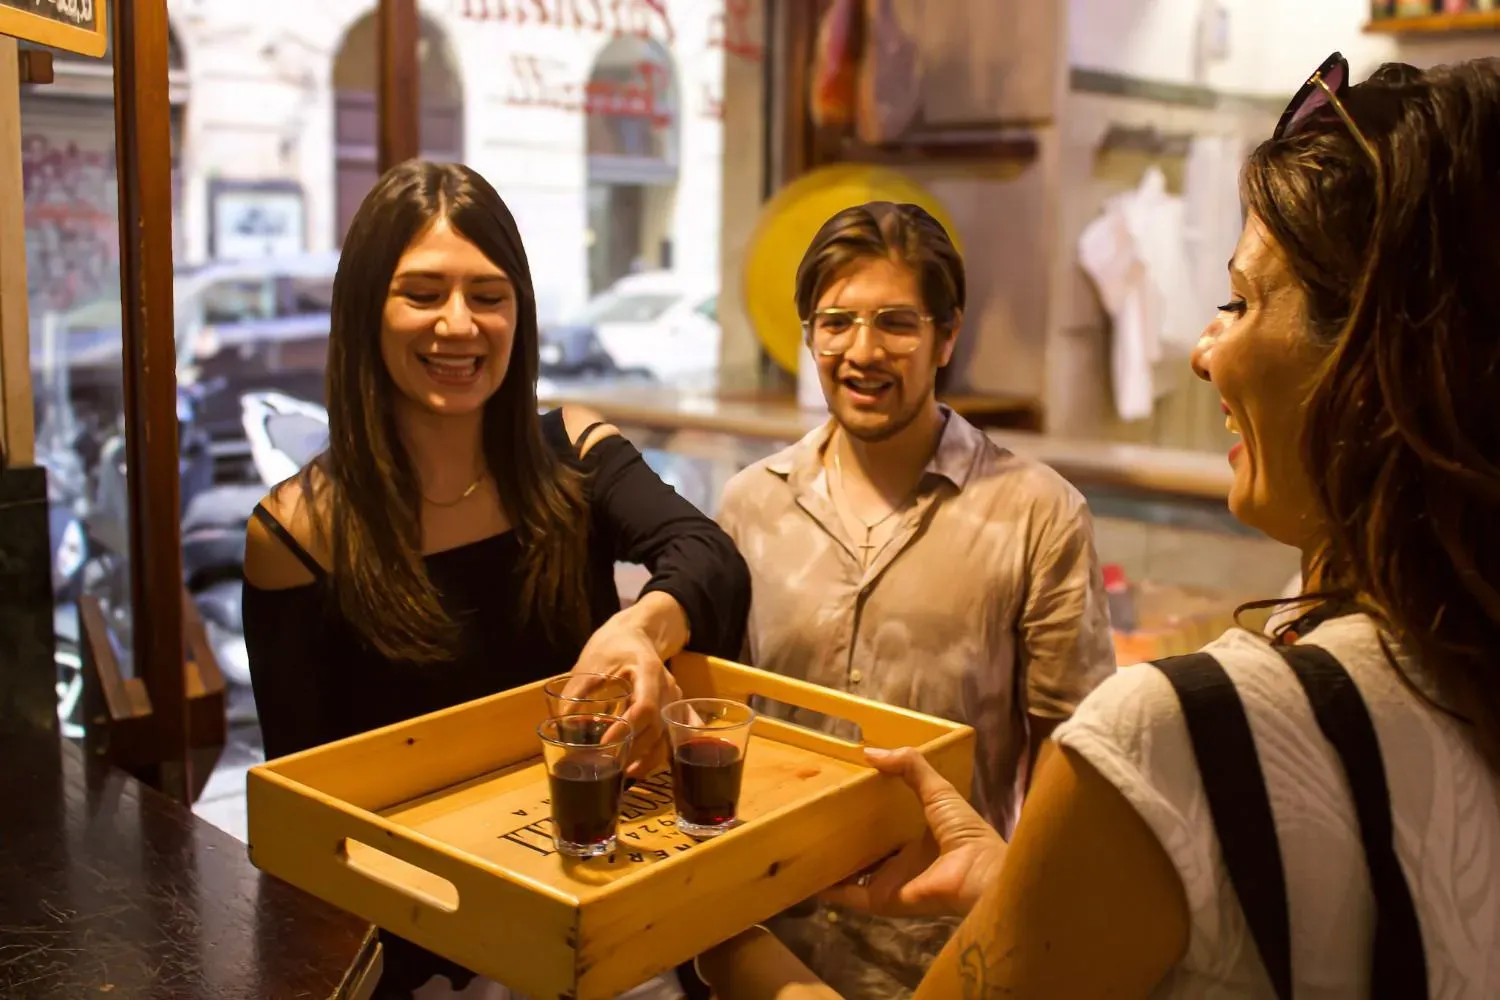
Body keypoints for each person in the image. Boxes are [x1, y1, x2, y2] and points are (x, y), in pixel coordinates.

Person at [697, 56, 1500, 999]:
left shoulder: (1173, 722)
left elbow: (1076, 734)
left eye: (1239, 301)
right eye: (834, 323)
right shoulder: (750, 500)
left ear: (1374, 365)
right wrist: (1023, 886)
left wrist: (725, 944)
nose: (1203, 350)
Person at [242, 160, 750, 999]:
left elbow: (707, 555)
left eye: (488, 295)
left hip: (604, 893)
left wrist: (638, 628)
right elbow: (305, 820)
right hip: (425, 936)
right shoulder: (299, 533)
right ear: (366, 310)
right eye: (423, 293)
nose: (459, 325)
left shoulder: (572, 454)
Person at [715, 201, 1116, 997]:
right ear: (809, 335)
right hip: (770, 950)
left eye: (897, 323)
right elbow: (720, 727)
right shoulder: (747, 506)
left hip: (947, 956)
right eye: (837, 322)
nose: (863, 352)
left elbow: (1076, 760)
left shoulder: (1036, 511)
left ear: (946, 337)